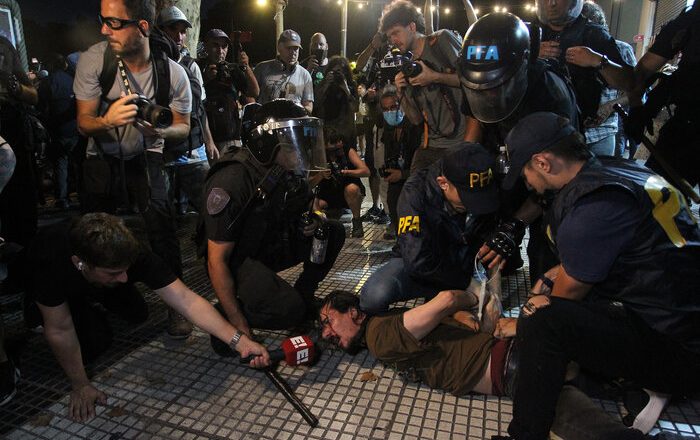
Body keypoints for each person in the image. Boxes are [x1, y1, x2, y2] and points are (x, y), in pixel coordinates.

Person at [497, 112, 700, 440]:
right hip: (678, 318)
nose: (527, 182)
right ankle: (627, 384)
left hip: (681, 351)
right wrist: (553, 278)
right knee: (552, 291)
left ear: (543, 162)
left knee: (540, 321)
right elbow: (593, 256)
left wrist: (520, 322)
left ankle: (524, 434)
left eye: (525, 172)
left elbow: (560, 302)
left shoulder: (591, 209)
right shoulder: (615, 169)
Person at [24, 213, 270, 422]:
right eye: (115, 273)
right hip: (51, 284)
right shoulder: (51, 262)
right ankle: (63, 311)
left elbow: (186, 300)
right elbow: (60, 329)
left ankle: (96, 297)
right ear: (80, 263)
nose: (124, 278)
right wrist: (80, 385)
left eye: (125, 271)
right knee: (90, 344)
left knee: (137, 313)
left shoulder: (133, 254)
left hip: (94, 279)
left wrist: (239, 341)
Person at [74, 0, 193, 337]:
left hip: (148, 155)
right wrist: (107, 120)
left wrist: (160, 131)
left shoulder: (173, 72)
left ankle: (176, 307)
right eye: (102, 20)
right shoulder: (95, 60)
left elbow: (183, 126)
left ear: (142, 27)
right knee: (91, 232)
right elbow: (83, 123)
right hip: (103, 155)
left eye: (113, 22)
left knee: (162, 229)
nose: (103, 30)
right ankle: (90, 300)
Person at [202, 99, 345, 353]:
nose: (302, 149)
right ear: (267, 144)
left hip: (268, 245)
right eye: (293, 143)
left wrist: (312, 223)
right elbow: (216, 261)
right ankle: (224, 313)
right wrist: (238, 325)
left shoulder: (285, 170)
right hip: (236, 260)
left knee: (331, 232)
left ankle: (304, 294)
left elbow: (300, 209)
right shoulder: (234, 178)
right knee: (289, 312)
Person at [458, 12, 579, 282]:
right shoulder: (478, 81)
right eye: (480, 89)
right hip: (505, 163)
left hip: (547, 178)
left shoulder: (551, 94)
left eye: (496, 86)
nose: (488, 95)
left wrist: (515, 224)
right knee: (484, 238)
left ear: (522, 66)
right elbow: (471, 141)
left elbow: (556, 181)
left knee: (545, 250)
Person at [360, 143, 499, 315]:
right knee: (373, 297)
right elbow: (417, 259)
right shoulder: (415, 192)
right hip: (422, 265)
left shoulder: (485, 180)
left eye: (482, 197)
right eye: (468, 198)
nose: (476, 205)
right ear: (443, 183)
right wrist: (467, 283)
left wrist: (493, 291)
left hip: (461, 264)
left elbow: (496, 239)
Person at [380, 0, 481, 171]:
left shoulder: (440, 41)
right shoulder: (409, 68)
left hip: (459, 141)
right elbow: (416, 119)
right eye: (390, 37)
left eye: (396, 33)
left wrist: (434, 77)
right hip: (429, 146)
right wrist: (400, 92)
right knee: (411, 195)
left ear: (412, 27)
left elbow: (473, 82)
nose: (393, 41)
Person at [535, 0, 633, 156]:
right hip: (547, 135)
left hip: (594, 135)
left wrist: (597, 60)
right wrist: (532, 54)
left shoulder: (595, 34)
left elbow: (630, 83)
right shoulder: (532, 33)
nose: (551, 4)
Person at [626, 0, 699, 195]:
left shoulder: (691, 18)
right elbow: (642, 71)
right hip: (688, 127)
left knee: (659, 202)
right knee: (658, 200)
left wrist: (637, 107)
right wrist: (637, 108)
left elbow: (642, 71)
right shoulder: (691, 18)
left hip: (688, 126)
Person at [157, 7, 218, 214]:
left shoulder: (191, 66)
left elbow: (200, 107)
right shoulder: (150, 65)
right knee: (161, 212)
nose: (179, 35)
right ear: (160, 31)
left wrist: (209, 141)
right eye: (173, 29)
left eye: (183, 31)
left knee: (210, 206)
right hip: (161, 150)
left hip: (192, 150)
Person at [0, 35, 39, 249]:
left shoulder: (4, 45)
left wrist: (15, 88)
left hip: (11, 125)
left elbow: (33, 95)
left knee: (20, 192)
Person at [200, 28, 259, 154]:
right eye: (215, 46)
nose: (220, 51)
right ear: (205, 46)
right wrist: (205, 79)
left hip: (232, 139)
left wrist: (246, 67)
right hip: (205, 140)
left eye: (224, 46)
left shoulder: (232, 70)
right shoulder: (197, 68)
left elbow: (254, 92)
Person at [377, 85, 420, 239]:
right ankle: (400, 238)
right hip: (397, 179)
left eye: (393, 107)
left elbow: (423, 166)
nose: (390, 112)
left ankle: (409, 241)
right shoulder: (389, 130)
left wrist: (402, 174)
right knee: (392, 200)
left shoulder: (416, 127)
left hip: (414, 180)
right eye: (386, 109)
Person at [38, 53, 80, 210]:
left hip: (56, 130)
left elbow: (40, 106)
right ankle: (83, 194)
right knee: (77, 163)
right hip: (75, 128)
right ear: (65, 65)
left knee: (60, 164)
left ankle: (62, 199)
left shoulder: (47, 83)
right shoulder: (74, 80)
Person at [314, 131, 370, 238]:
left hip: (347, 189)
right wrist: (320, 175)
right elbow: (309, 182)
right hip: (328, 193)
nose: (339, 144)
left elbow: (366, 171)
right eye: (334, 142)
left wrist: (347, 172)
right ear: (325, 144)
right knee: (314, 204)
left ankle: (357, 222)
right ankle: (321, 225)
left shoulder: (348, 151)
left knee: (352, 189)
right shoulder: (319, 155)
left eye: (340, 141)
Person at [254, 29, 313, 115]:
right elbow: (250, 96)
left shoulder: (305, 75)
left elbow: (308, 106)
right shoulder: (261, 68)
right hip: (266, 124)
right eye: (289, 48)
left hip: (292, 125)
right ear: (279, 47)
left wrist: (297, 111)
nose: (293, 52)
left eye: (296, 49)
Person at [313, 56, 359, 150]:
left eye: (341, 72)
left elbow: (355, 108)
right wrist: (326, 84)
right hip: (329, 132)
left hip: (347, 132)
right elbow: (316, 104)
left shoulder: (351, 85)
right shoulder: (323, 84)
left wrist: (346, 89)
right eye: (335, 72)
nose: (338, 75)